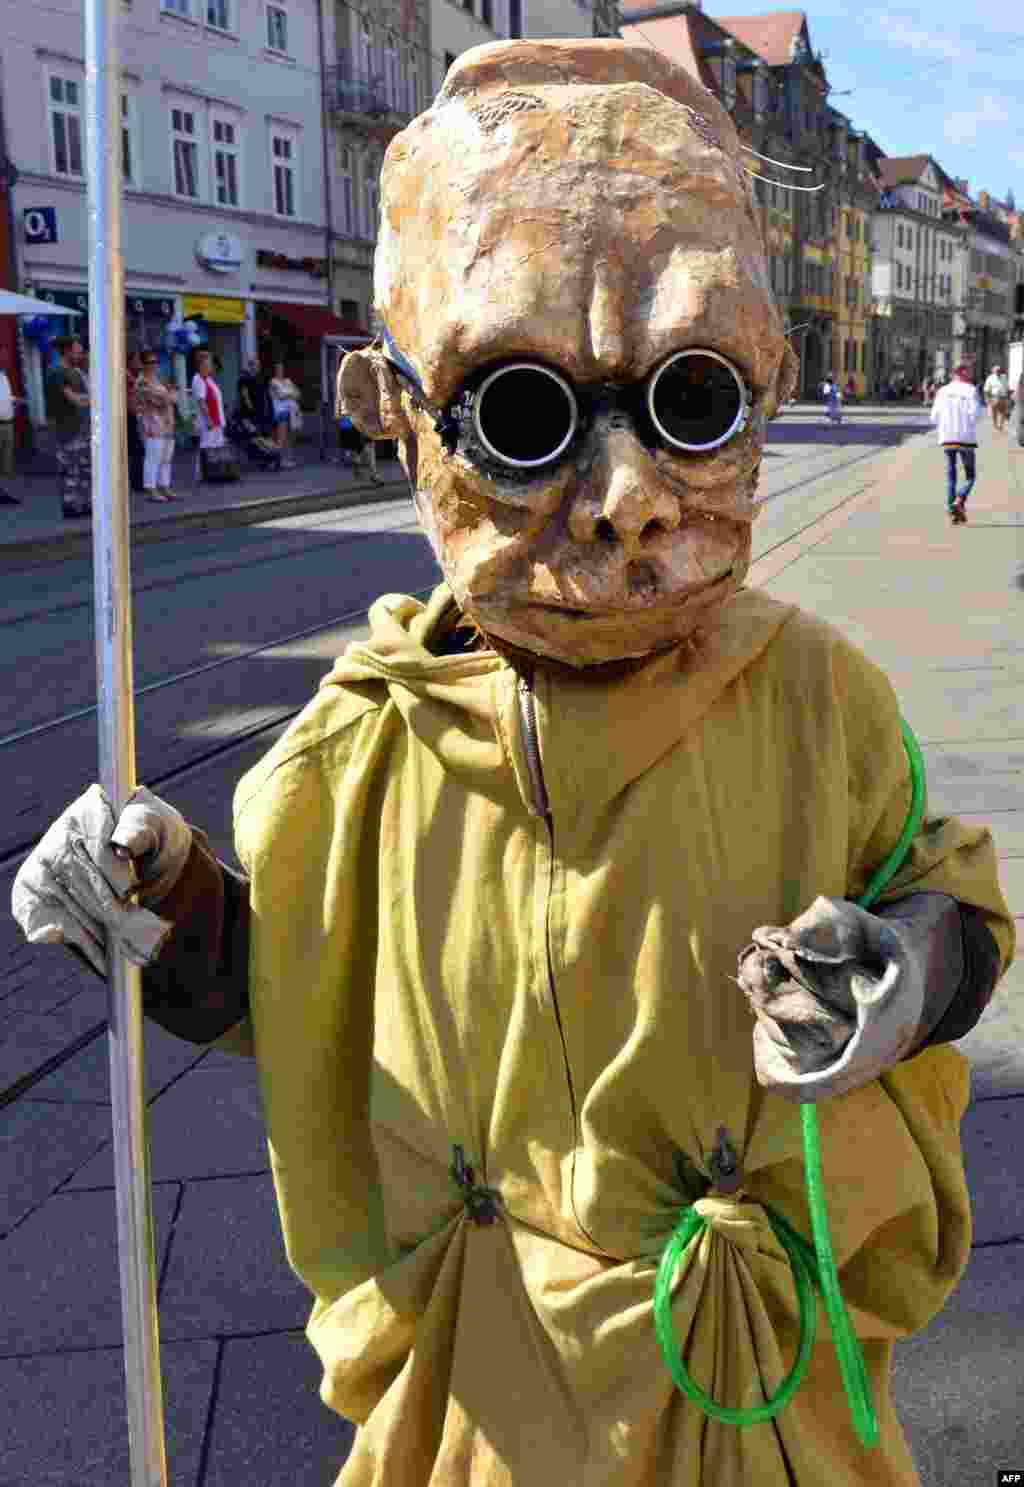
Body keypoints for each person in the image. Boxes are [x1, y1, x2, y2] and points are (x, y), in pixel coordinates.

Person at [11, 42, 1014, 1487]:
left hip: (738, 1409)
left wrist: (904, 970)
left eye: (692, 398)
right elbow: (298, 994)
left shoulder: (821, 700)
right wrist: (163, 903)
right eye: (524, 413)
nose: (620, 500)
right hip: (481, 1411)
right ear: (398, 410)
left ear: (767, 378)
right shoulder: (354, 746)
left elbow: (956, 909)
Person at [930, 362, 983, 523]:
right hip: (965, 437)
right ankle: (959, 500)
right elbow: (976, 415)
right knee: (970, 476)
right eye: (969, 371)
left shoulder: (943, 391)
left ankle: (953, 511)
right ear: (963, 372)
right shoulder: (971, 390)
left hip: (947, 437)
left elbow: (933, 417)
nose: (970, 374)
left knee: (951, 476)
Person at [46, 335, 91, 519]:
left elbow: (85, 397)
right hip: (67, 428)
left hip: (82, 427)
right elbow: (73, 399)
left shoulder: (77, 372)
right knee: (70, 469)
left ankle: (86, 503)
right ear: (66, 351)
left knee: (85, 469)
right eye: (77, 351)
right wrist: (95, 400)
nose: (80, 355)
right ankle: (70, 505)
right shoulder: (57, 373)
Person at [135, 352, 180, 502]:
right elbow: (156, 400)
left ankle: (164, 486)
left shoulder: (158, 379)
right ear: (143, 364)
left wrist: (169, 396)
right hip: (152, 423)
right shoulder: (142, 382)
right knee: (153, 457)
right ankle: (151, 488)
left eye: (156, 362)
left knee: (166, 457)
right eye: (150, 362)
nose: (154, 365)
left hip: (167, 422)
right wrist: (169, 396)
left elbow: (171, 397)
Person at [190, 349, 226, 480]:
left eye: (210, 365)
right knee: (206, 446)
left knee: (216, 445)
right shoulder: (198, 379)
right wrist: (209, 419)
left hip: (217, 419)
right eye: (208, 365)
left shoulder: (209, 379)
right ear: (201, 366)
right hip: (208, 420)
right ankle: (201, 473)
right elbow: (201, 402)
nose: (211, 367)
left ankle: (215, 471)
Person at [0, 352, 25, 505]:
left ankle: (2, 493)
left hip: (8, 424)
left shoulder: (3, 377)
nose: (4, 359)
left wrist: (15, 400)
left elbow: (4, 397)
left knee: (5, 463)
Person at [268, 360, 301, 467]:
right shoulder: (273, 382)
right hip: (281, 412)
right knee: (281, 437)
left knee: (290, 437)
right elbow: (279, 395)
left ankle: (288, 459)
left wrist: (289, 394)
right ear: (275, 371)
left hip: (292, 411)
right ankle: (277, 460)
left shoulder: (287, 381)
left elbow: (298, 394)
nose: (280, 371)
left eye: (281, 369)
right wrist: (291, 394)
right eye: (278, 369)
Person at [126, 350, 146, 493]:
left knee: (137, 450)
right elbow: (129, 397)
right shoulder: (127, 377)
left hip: (134, 415)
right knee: (136, 450)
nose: (139, 364)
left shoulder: (135, 376)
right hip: (129, 416)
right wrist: (137, 410)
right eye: (137, 361)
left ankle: (138, 482)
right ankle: (137, 483)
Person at [237, 358, 273, 435]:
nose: (257, 367)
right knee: (251, 433)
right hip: (249, 411)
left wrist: (268, 409)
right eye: (255, 365)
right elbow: (244, 394)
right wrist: (251, 408)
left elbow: (266, 393)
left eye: (258, 365)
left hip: (261, 410)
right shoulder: (244, 378)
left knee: (261, 433)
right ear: (250, 366)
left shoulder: (261, 377)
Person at [982, 364, 1010, 431]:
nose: (998, 371)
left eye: (999, 370)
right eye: (997, 370)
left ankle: (1001, 425)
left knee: (1004, 412)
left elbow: (1007, 387)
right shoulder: (990, 378)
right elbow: (986, 389)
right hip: (994, 397)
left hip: (1003, 397)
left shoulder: (1004, 377)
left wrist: (1008, 396)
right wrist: (987, 398)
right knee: (994, 413)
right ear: (993, 371)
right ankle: (995, 425)